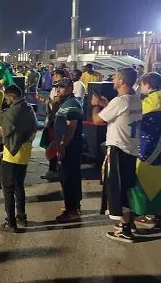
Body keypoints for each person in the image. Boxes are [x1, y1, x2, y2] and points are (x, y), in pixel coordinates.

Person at [92, 67, 142, 243]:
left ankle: (126, 229)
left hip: (118, 150)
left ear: (121, 81)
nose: (113, 80)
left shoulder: (120, 101)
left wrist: (95, 106)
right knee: (125, 188)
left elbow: (97, 120)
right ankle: (126, 224)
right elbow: (121, 116)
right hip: (131, 149)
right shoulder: (136, 99)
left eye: (115, 78)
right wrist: (107, 105)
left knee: (116, 189)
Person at [0, 84, 37, 232]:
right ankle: (21, 217)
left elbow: (6, 132)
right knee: (19, 186)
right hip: (25, 153)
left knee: (8, 189)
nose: (6, 102)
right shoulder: (28, 107)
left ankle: (11, 223)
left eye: (7, 99)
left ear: (12, 97)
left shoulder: (13, 111)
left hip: (11, 156)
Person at [130, 72, 161, 229]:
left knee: (143, 183)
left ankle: (149, 214)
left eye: (141, 85)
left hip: (148, 151)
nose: (140, 87)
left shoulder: (148, 102)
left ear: (147, 85)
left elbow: (132, 119)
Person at [53, 78, 84, 222]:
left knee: (68, 178)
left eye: (62, 87)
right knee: (71, 176)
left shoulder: (72, 104)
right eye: (58, 87)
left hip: (70, 147)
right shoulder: (66, 103)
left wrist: (62, 145)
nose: (59, 90)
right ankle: (73, 205)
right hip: (68, 146)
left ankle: (71, 209)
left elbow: (71, 127)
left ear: (71, 88)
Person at [37, 69, 66, 180]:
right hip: (51, 120)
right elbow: (52, 103)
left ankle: (54, 170)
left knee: (54, 146)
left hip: (55, 121)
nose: (52, 77)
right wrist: (44, 100)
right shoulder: (55, 89)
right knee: (50, 145)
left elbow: (56, 105)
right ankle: (54, 169)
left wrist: (51, 119)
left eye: (53, 75)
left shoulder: (61, 90)